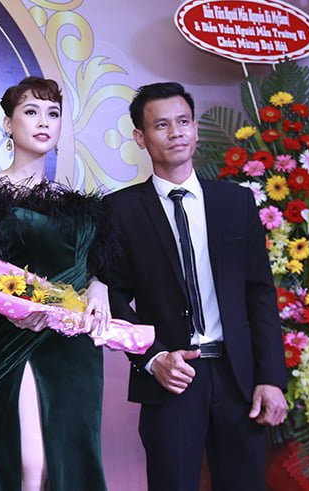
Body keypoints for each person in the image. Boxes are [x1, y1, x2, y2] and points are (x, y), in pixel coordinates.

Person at [0, 76, 117, 491]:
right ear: (8, 124)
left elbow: (94, 265)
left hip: (74, 346)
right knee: (30, 464)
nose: (44, 122)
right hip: (19, 337)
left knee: (71, 456)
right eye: (31, 112)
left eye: (53, 113)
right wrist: (12, 307)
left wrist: (100, 287)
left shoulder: (75, 204)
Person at [105, 81, 287, 491]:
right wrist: (152, 357)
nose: (176, 133)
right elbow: (110, 296)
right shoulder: (120, 210)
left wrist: (271, 377)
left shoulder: (235, 202)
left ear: (196, 128)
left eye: (183, 121)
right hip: (171, 376)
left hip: (238, 378)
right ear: (141, 137)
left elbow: (259, 293)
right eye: (162, 125)